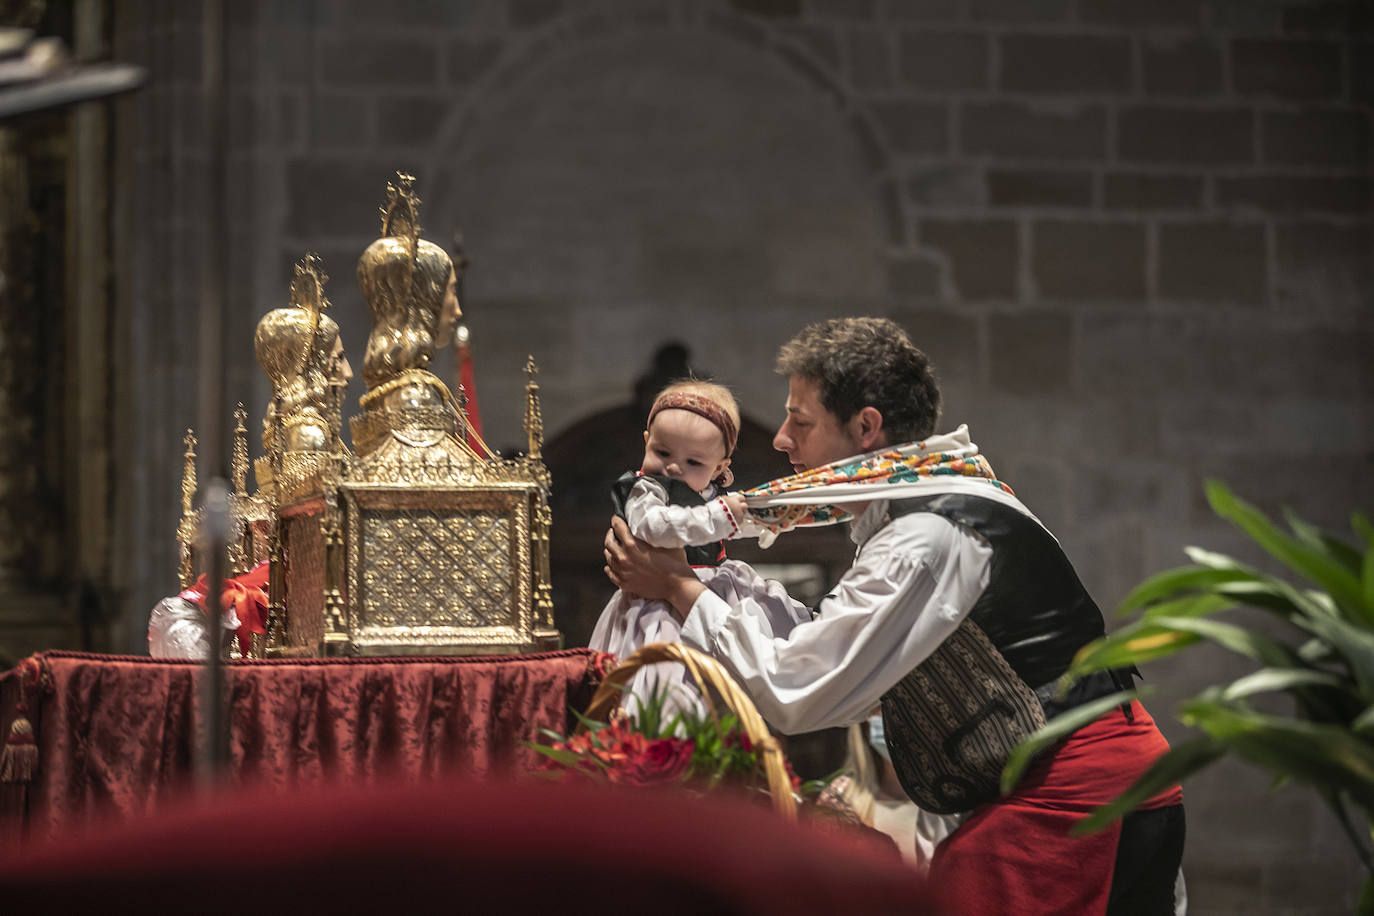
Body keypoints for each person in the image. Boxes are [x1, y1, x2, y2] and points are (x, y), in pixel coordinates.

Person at [604, 317, 1185, 915]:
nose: (780, 439)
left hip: (1077, 799)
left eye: (800, 421)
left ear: (865, 427)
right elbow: (839, 656)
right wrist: (719, 589)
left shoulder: (924, 536)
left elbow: (800, 688)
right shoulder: (934, 494)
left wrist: (679, 589)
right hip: (1059, 785)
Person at [589, 380, 808, 721]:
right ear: (646, 442)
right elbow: (657, 527)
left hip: (710, 589)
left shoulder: (708, 497)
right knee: (662, 687)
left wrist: (766, 520)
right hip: (654, 607)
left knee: (738, 670)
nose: (674, 468)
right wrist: (719, 517)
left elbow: (729, 524)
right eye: (662, 453)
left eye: (694, 462)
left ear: (720, 468)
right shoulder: (645, 490)